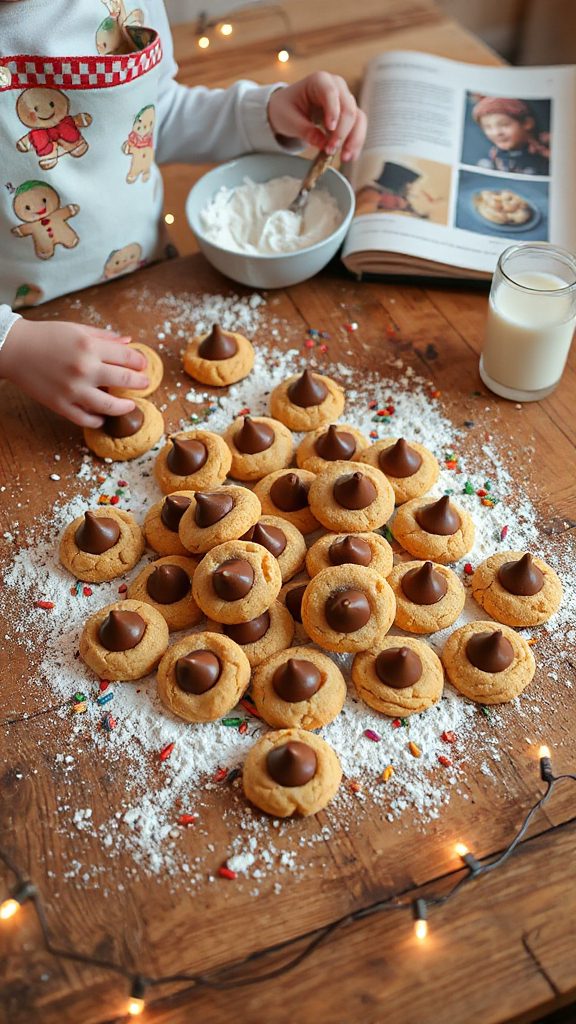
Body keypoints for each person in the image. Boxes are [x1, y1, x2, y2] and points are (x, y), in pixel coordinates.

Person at [0, 0, 366, 427]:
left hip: (147, 279)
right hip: (20, 340)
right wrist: (11, 345)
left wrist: (266, 113)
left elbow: (153, 115)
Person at [472, 96, 550, 176]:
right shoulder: (491, 158)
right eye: (488, 127)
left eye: (504, 125)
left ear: (527, 123)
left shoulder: (543, 155)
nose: (496, 132)